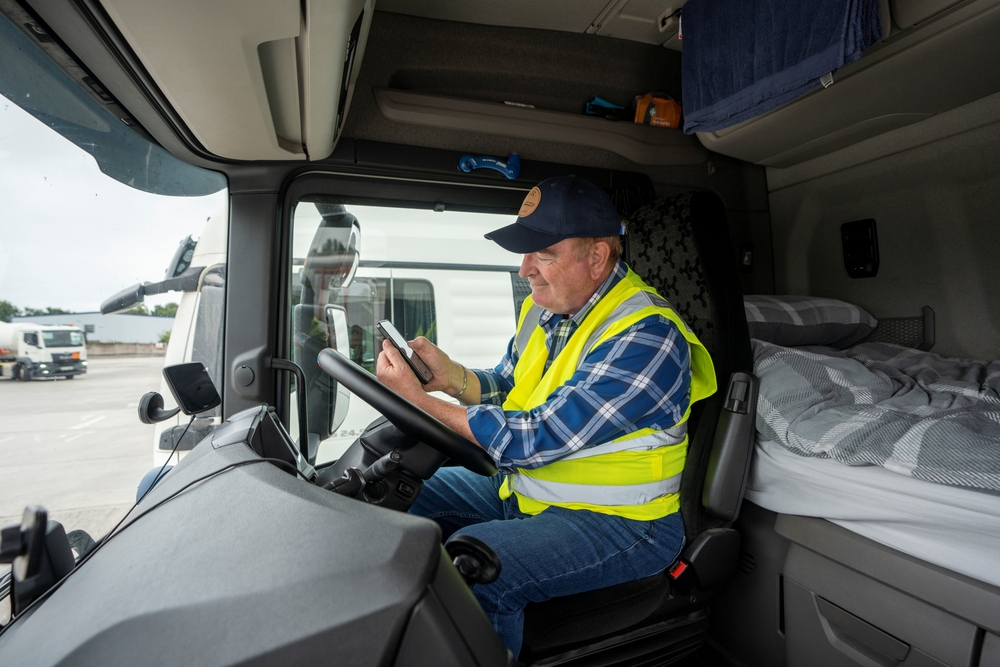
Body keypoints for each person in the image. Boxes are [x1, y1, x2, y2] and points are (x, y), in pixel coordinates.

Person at [376, 175, 716, 657]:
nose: (524, 269)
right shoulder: (549, 311)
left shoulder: (648, 337)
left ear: (596, 257)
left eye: (543, 254)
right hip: (528, 491)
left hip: (623, 525)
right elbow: (512, 387)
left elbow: (537, 436)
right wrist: (448, 378)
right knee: (401, 490)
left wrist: (418, 402)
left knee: (475, 560)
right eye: (524, 253)